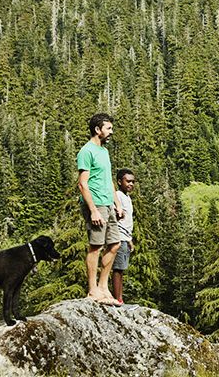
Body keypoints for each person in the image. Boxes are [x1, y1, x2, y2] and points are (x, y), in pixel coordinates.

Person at [77, 113, 124, 305]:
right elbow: (82, 184)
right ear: (97, 130)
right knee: (96, 246)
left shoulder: (104, 151)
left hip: (108, 204)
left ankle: (103, 287)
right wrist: (93, 210)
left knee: (115, 244)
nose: (111, 132)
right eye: (109, 128)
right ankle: (92, 290)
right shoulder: (86, 152)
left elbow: (108, 179)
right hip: (95, 204)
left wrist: (117, 203)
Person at [112, 169, 136, 304]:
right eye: (128, 181)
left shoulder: (127, 197)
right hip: (118, 237)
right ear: (120, 182)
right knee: (118, 268)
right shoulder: (118, 196)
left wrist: (130, 239)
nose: (131, 184)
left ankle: (120, 298)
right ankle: (117, 299)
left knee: (121, 269)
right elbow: (114, 215)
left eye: (133, 181)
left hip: (125, 237)